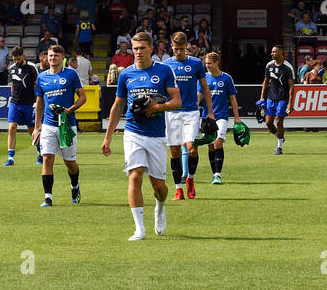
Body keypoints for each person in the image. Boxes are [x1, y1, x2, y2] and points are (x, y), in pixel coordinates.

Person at [102, 31, 180, 240]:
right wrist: (108, 137)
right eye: (135, 48)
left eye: (142, 48)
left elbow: (177, 102)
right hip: (133, 132)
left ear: (151, 49)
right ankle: (139, 229)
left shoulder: (164, 71)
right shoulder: (126, 74)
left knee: (159, 187)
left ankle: (160, 207)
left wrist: (156, 107)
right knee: (134, 176)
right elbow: (117, 107)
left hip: (156, 135)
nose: (137, 52)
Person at [30, 45, 86, 207]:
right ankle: (48, 197)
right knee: (47, 158)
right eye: (50, 55)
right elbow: (39, 104)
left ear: (62, 58)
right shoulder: (42, 77)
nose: (52, 58)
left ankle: (74, 186)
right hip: (48, 125)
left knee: (70, 162)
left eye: (55, 55)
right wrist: (37, 127)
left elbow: (82, 97)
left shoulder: (70, 74)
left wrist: (70, 110)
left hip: (67, 124)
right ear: (46, 58)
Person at [165, 31, 214, 201]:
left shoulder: (196, 64)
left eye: (181, 49)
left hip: (191, 112)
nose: (178, 52)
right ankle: (178, 189)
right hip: (171, 113)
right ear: (171, 46)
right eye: (175, 48)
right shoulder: (165, 65)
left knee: (192, 148)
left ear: (186, 47)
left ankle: (190, 179)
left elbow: (205, 88)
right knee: (175, 151)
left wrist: (210, 112)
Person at [203, 51, 240, 184]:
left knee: (218, 141)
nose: (207, 66)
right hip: (207, 118)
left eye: (210, 63)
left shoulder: (226, 78)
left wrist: (237, 118)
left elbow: (232, 99)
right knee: (211, 146)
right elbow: (198, 97)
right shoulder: (203, 78)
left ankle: (218, 175)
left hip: (222, 116)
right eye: (206, 63)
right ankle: (214, 174)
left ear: (217, 63)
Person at [4, 46, 41, 166]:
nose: (16, 61)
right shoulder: (11, 68)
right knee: (11, 128)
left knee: (32, 132)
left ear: (23, 56)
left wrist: (37, 102)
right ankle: (10, 158)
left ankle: (40, 154)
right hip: (15, 103)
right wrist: (13, 97)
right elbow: (13, 85)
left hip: (29, 104)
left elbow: (38, 84)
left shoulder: (31, 67)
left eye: (18, 59)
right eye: (14, 59)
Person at [260, 45, 295, 155]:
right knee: (268, 122)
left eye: (274, 51)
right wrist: (262, 97)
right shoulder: (269, 65)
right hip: (271, 97)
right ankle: (280, 136)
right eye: (272, 51)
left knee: (279, 121)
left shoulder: (288, 67)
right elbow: (265, 81)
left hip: (283, 98)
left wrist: (290, 103)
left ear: (281, 53)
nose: (272, 53)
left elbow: (291, 87)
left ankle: (279, 147)